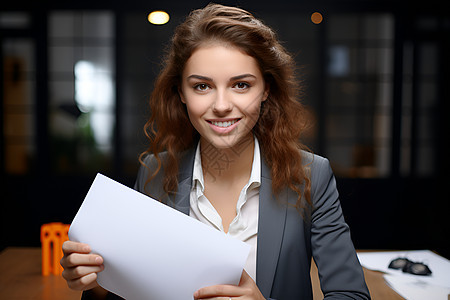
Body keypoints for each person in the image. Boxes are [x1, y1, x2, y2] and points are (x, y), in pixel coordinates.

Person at [61, 3, 371, 300]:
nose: (221, 106)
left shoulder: (311, 175)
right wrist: (99, 283)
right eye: (202, 86)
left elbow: (352, 294)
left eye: (240, 85)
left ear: (265, 89)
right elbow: (135, 288)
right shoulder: (155, 173)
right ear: (181, 92)